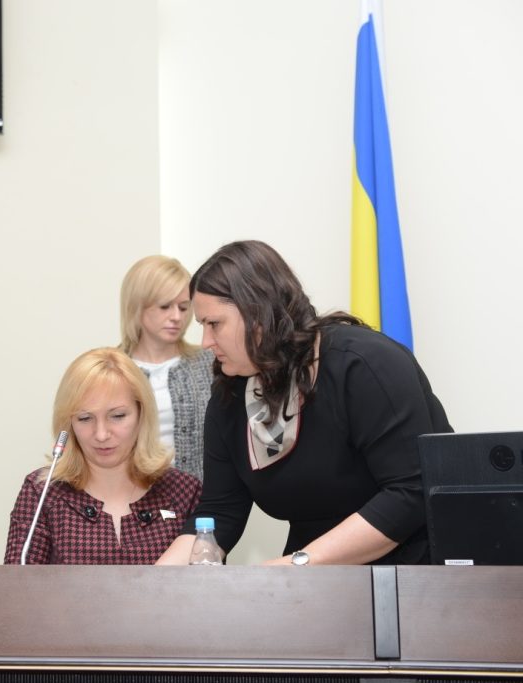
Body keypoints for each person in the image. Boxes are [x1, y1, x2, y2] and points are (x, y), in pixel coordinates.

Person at [157, 240, 451, 566]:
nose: (205, 342)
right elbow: (220, 512)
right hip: (311, 575)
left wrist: (296, 565)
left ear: (258, 315)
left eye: (214, 324)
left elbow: (410, 492)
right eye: (202, 326)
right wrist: (150, 585)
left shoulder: (363, 364)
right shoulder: (230, 394)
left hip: (414, 570)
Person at [4, 347, 202, 564]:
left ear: (141, 414)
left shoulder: (185, 491)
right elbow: (18, 582)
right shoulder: (42, 493)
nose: (101, 435)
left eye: (117, 416)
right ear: (68, 423)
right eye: (85, 418)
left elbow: (208, 580)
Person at [119, 255, 214, 480]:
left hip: (200, 496)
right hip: (130, 497)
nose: (176, 317)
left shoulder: (210, 365)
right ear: (137, 306)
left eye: (183, 307)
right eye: (165, 307)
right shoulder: (111, 370)